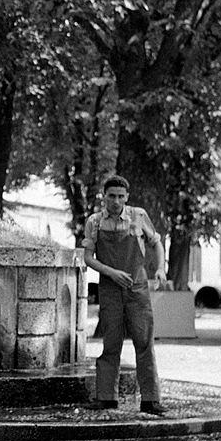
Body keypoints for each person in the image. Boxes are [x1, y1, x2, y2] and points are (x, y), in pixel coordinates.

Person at [83, 175, 168, 416]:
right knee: (111, 343)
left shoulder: (139, 216)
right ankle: (106, 398)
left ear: (127, 197)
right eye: (112, 196)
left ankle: (151, 400)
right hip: (110, 289)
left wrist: (160, 268)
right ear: (104, 196)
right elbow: (88, 258)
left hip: (138, 288)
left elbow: (156, 243)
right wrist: (113, 273)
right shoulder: (95, 222)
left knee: (144, 342)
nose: (116, 201)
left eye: (121, 196)